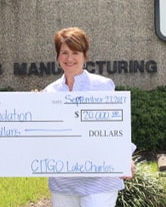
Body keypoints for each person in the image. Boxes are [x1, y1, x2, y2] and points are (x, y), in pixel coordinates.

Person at [41, 27, 135, 207]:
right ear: (57, 57)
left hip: (99, 180)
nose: (70, 58)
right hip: (63, 182)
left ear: (85, 56)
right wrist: (34, 109)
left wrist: (125, 157)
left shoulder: (102, 85)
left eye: (75, 52)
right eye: (64, 53)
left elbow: (116, 127)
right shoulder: (50, 91)